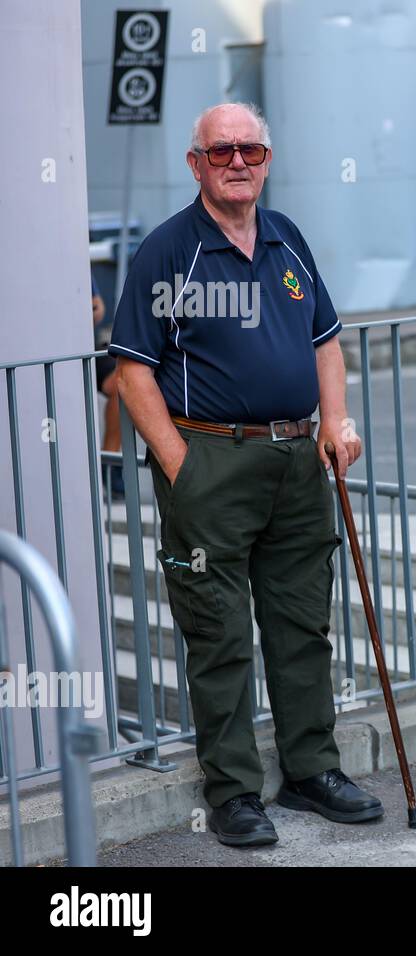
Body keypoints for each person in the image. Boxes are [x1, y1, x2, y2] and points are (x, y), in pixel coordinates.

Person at [108, 102, 382, 848]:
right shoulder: (169, 252)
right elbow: (131, 373)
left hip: (298, 462)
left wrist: (337, 422)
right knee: (218, 633)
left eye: (251, 151)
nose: (238, 162)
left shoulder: (288, 237)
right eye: (221, 150)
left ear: (266, 160)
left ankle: (310, 771)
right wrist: (181, 467)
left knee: (302, 624)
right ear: (195, 164)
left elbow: (326, 343)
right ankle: (232, 791)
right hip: (210, 461)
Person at [91, 275, 124, 499]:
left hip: (87, 346)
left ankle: (110, 464)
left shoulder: (82, 267)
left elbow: (97, 307)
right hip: (55, 350)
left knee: (121, 384)